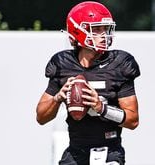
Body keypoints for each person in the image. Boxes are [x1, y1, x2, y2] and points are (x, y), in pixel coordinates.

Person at [36, 1, 140, 165]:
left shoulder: (120, 63)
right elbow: (41, 117)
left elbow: (133, 120)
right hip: (76, 151)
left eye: (105, 29)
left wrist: (101, 107)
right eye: (97, 29)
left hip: (110, 150)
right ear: (78, 31)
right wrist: (57, 98)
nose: (103, 34)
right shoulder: (62, 63)